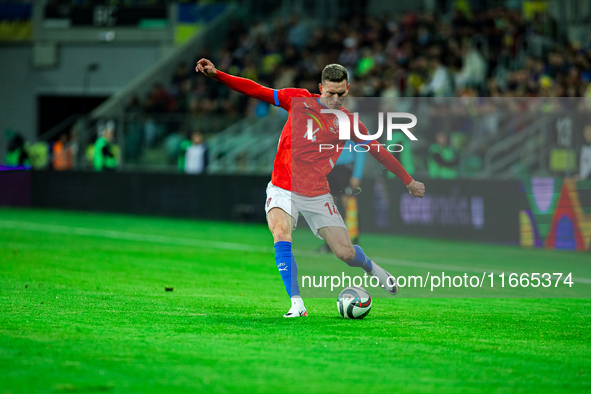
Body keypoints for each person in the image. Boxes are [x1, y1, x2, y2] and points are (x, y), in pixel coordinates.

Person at [196, 59, 425, 318]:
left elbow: (379, 152)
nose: (335, 100)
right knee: (281, 233)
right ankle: (297, 304)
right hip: (282, 187)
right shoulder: (298, 100)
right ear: (320, 88)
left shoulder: (349, 122)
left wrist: (408, 181)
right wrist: (217, 75)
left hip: (316, 193)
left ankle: (373, 269)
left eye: (341, 94)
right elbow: (255, 89)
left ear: (347, 89)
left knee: (345, 252)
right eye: (330, 94)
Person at [318, 141, 366, 252]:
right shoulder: (327, 125)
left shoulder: (352, 125)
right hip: (329, 166)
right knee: (329, 206)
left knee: (349, 206)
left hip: (345, 167)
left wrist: (357, 174)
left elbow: (361, 148)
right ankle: (330, 243)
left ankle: (354, 243)